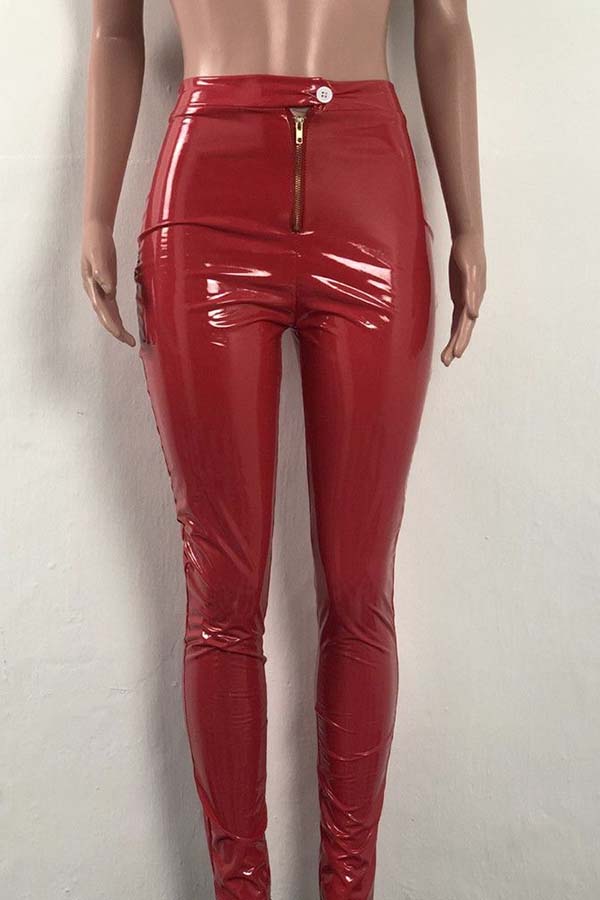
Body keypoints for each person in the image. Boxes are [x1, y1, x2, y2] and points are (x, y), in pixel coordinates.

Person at [80, 2, 486, 897]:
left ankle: (350, 887)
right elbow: (114, 31)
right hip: (204, 206)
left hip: (369, 198)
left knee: (359, 588)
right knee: (223, 594)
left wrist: (469, 224)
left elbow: (445, 22)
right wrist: (92, 214)